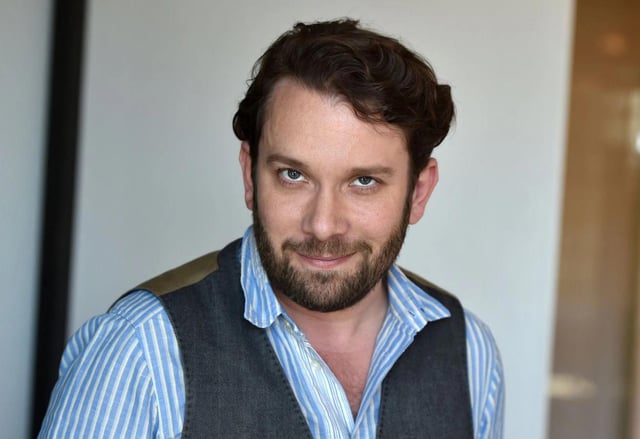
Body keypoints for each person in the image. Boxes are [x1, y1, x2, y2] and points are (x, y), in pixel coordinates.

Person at [39, 18, 504, 438]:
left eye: (364, 182)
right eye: (293, 175)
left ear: (418, 192)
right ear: (250, 174)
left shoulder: (470, 353)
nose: (323, 225)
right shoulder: (137, 350)